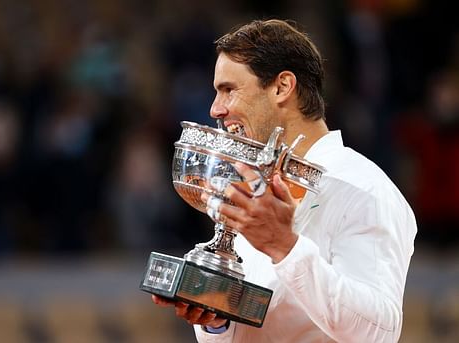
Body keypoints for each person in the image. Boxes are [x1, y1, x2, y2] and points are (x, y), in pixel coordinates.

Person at [152, 19, 417, 342]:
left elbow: (378, 332)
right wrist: (216, 321)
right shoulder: (255, 189)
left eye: (229, 90)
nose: (215, 109)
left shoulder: (364, 189)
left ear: (282, 87)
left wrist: (285, 247)